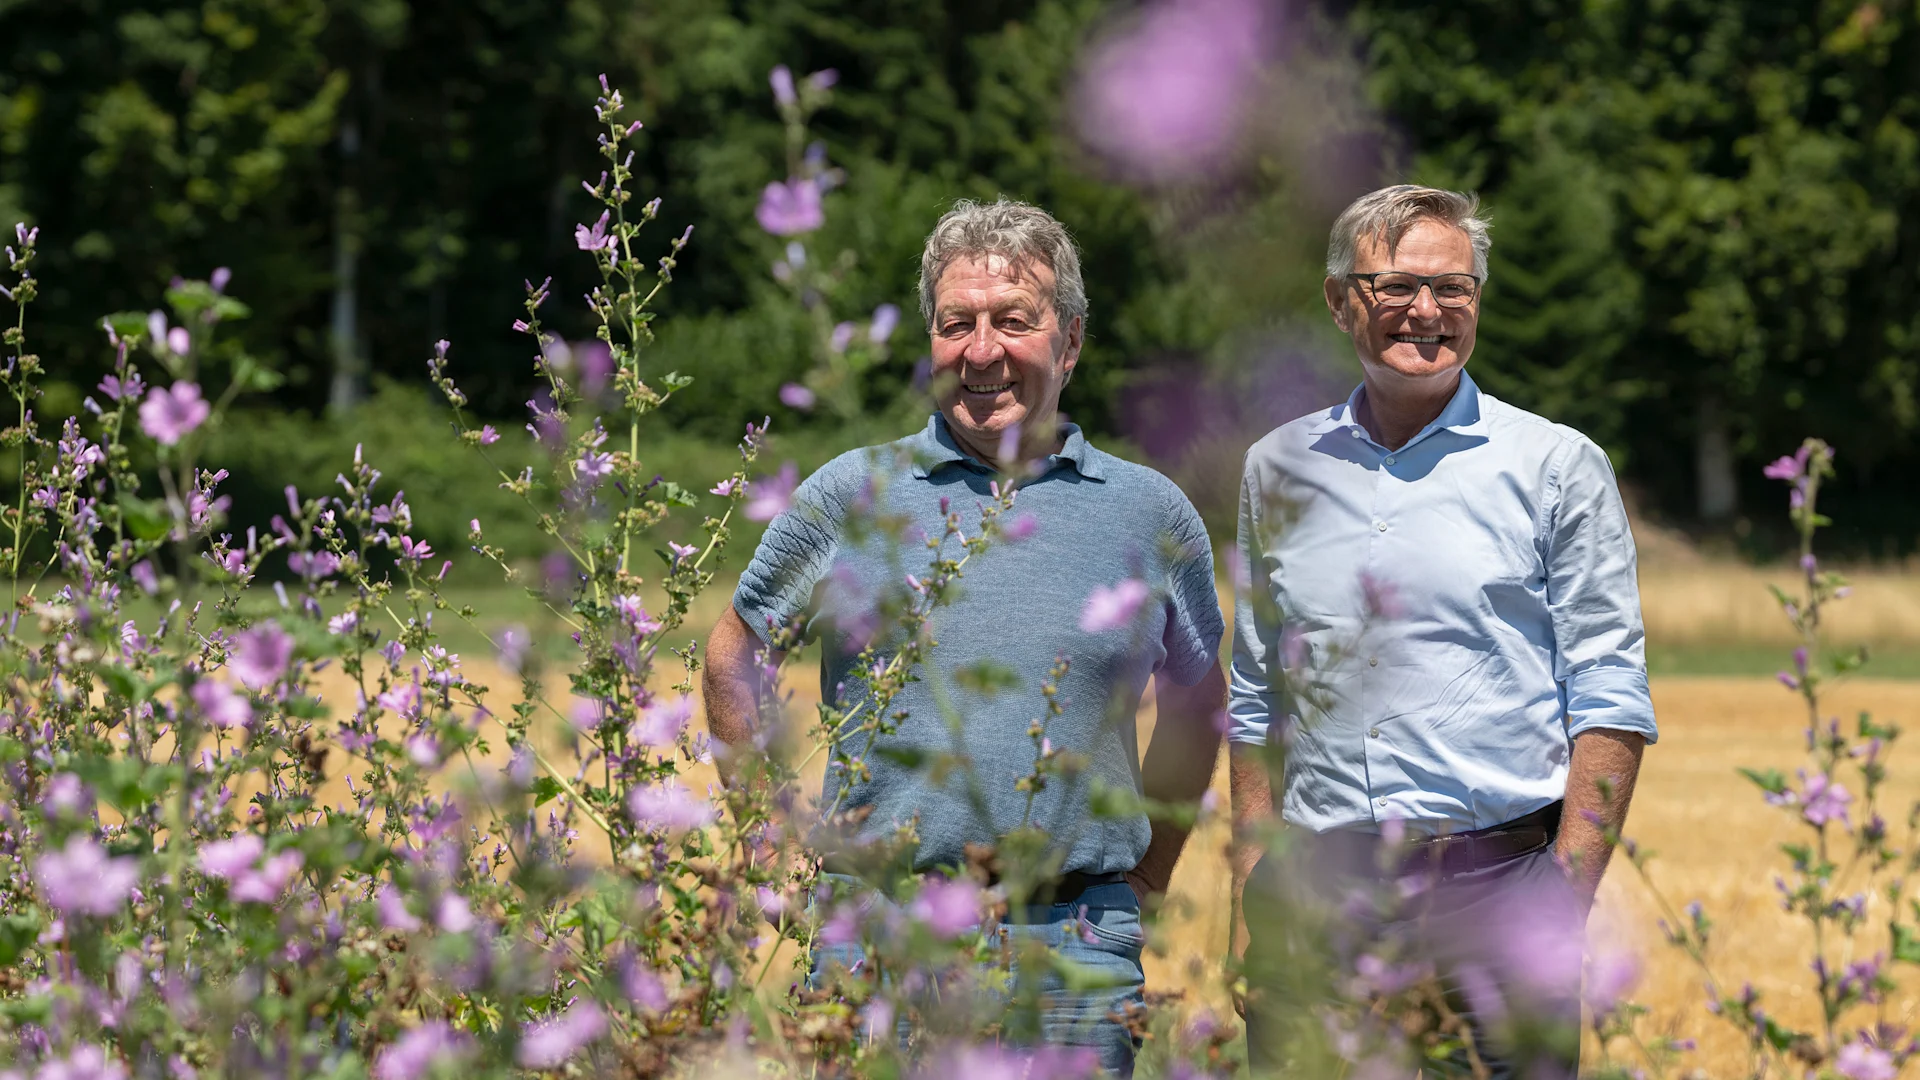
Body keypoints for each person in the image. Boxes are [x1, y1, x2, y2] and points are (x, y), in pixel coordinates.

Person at [704, 197, 1227, 1075]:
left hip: (1078, 944)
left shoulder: (1150, 511)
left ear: (1070, 341)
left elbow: (1199, 699)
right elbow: (734, 653)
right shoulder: (851, 494)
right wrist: (772, 847)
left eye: (1013, 321)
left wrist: (1148, 875)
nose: (981, 350)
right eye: (957, 325)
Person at [1226, 185, 1658, 1075]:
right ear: (1340, 299)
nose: (1427, 312)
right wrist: (1247, 886)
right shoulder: (1276, 469)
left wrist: (1562, 896)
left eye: (1453, 289)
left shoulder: (1556, 466)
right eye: (1395, 287)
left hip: (1497, 890)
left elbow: (1610, 695)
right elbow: (1256, 695)